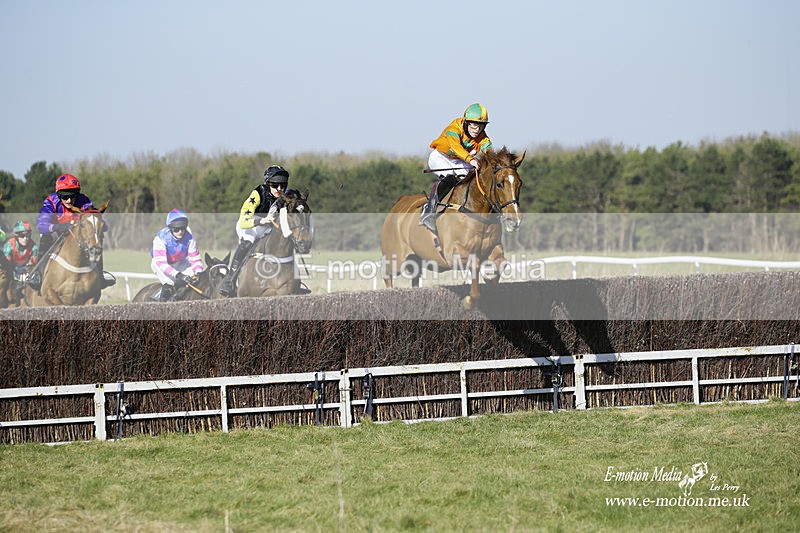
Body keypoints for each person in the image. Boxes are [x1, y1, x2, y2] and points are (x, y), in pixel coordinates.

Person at [26, 173, 115, 291]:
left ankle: (100, 276)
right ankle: (38, 274)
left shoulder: (84, 200)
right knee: (46, 237)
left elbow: (94, 218)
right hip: (56, 232)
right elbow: (41, 224)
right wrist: (58, 227)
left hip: (77, 234)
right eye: (65, 197)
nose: (69, 200)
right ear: (59, 195)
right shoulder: (51, 201)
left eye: (73, 196)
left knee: (95, 241)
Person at [218, 165, 295, 297]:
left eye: (282, 185)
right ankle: (230, 280)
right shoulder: (258, 194)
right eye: (275, 185)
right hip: (250, 226)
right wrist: (260, 221)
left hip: (268, 227)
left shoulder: (285, 195)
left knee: (283, 243)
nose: (279, 189)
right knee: (248, 242)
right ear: (268, 184)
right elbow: (243, 221)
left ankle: (292, 281)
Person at [420, 103, 494, 232]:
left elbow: (488, 148)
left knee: (471, 179)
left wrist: (494, 161)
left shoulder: (482, 135)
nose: (477, 129)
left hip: (459, 160)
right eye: (474, 125)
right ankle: (428, 210)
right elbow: (456, 147)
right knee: (449, 177)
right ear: (466, 122)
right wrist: (471, 160)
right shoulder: (453, 129)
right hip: (440, 157)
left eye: (481, 126)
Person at [150, 209, 204, 302]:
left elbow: (195, 258)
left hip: (180, 262)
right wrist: (178, 275)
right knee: (169, 282)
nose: (180, 232)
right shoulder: (160, 239)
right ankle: (162, 302)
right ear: (170, 228)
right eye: (176, 229)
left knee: (194, 279)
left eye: (183, 228)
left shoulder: (190, 238)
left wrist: (199, 272)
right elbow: (161, 263)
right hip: (161, 264)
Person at [3, 221, 38, 299]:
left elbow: (33, 264)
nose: (25, 238)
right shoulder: (9, 245)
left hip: (26, 270)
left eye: (28, 235)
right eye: (22, 235)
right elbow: (6, 265)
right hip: (12, 269)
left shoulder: (34, 247)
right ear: (16, 236)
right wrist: (14, 276)